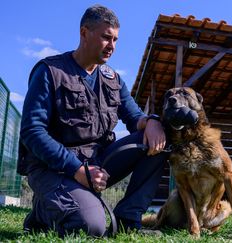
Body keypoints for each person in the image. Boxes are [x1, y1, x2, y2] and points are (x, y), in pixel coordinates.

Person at [18, 4, 168, 237]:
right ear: (84, 33)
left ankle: (128, 220)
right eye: (106, 38)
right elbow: (32, 131)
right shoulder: (50, 71)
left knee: (155, 141)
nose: (112, 46)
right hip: (54, 168)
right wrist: (76, 169)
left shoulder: (113, 79)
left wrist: (152, 121)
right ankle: (42, 211)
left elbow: (134, 117)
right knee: (92, 226)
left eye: (116, 40)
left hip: (97, 162)